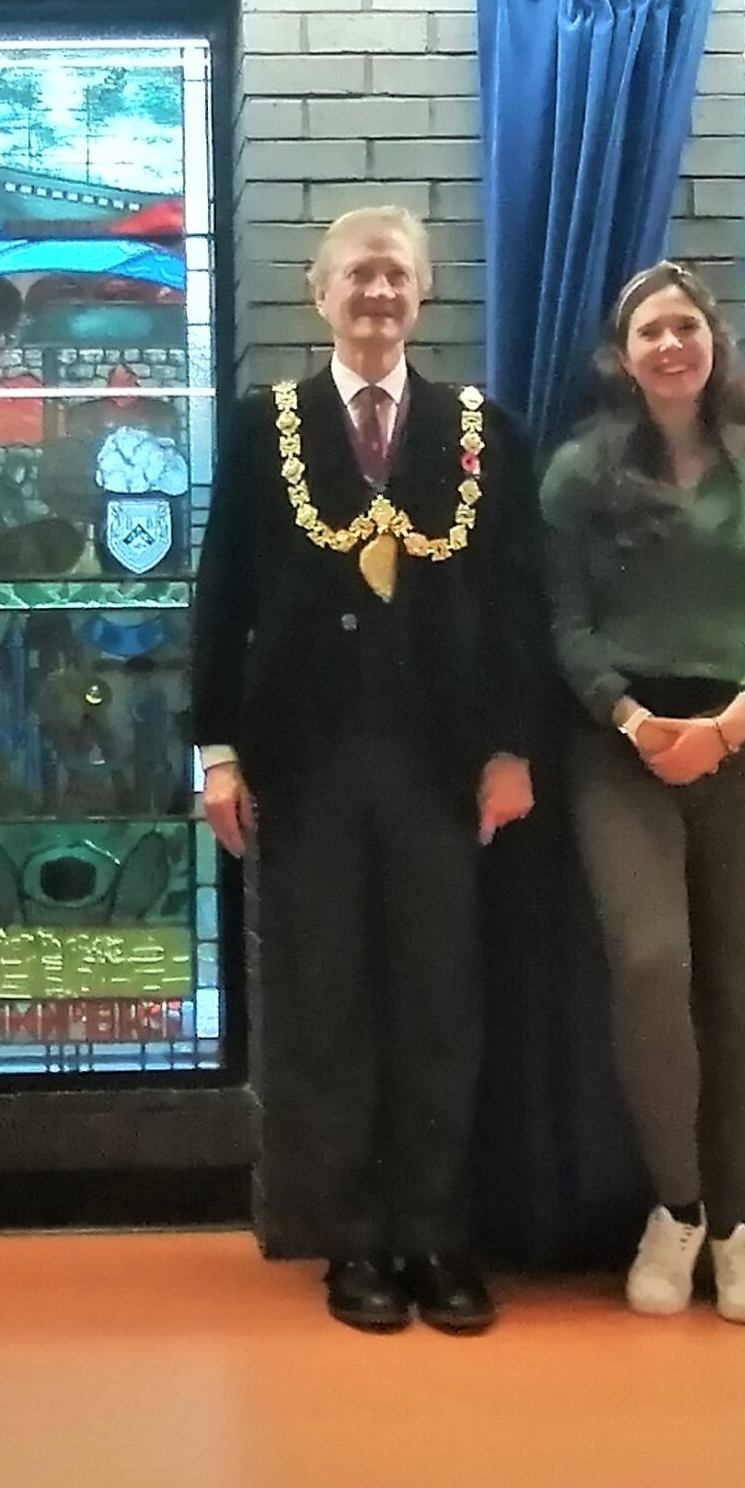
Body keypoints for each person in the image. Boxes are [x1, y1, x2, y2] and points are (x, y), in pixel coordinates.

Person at [190, 206, 543, 1336]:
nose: (378, 294)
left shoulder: (483, 430)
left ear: (424, 293)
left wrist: (510, 747)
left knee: (440, 1005)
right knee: (328, 1010)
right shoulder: (265, 426)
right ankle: (352, 1244)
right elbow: (222, 597)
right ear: (318, 291)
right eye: (358, 276)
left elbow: (517, 604)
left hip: (442, 768)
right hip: (308, 763)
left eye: (396, 276)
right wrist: (216, 751)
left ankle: (436, 1238)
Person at [542, 260, 745, 1327]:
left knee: (743, 990)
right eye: (650, 331)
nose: (671, 346)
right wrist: (632, 718)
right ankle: (678, 1206)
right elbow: (560, 619)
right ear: (623, 353)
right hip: (621, 748)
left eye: (687, 329)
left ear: (715, 346)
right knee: (653, 967)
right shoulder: (577, 472)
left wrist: (737, 716)